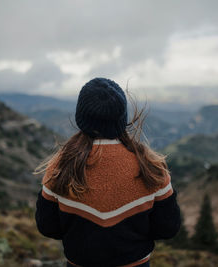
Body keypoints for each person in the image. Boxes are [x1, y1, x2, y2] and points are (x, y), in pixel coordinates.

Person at [35, 77, 181, 267]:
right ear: (121, 118)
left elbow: (48, 227)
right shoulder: (151, 168)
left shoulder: (60, 168)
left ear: (82, 118)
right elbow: (168, 228)